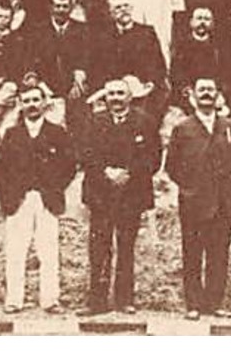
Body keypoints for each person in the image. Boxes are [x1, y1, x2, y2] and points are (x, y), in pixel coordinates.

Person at [0, 80, 78, 314]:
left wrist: (54, 187)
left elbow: (70, 165)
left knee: (48, 250)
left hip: (47, 199)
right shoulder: (12, 134)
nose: (31, 105)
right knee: (16, 250)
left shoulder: (57, 133)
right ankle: (14, 300)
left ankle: (50, 300)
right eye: (27, 100)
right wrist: (8, 199)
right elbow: (0, 169)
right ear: (20, 104)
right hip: (19, 200)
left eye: (35, 100)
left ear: (44, 103)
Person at [78, 77, 159, 316]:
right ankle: (97, 301)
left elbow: (154, 158)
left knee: (126, 248)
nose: (114, 98)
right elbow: (86, 153)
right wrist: (106, 172)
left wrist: (129, 173)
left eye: (119, 94)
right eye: (111, 94)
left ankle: (125, 300)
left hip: (131, 194)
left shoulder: (145, 122)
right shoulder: (94, 121)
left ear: (129, 97)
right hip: (101, 194)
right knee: (98, 248)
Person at [165, 75, 231, 321]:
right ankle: (194, 305)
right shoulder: (183, 128)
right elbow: (172, 167)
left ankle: (214, 303)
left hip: (223, 201)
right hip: (194, 201)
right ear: (193, 95)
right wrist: (189, 188)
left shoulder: (228, 127)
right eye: (202, 90)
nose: (206, 93)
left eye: (211, 89)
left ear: (218, 94)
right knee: (193, 253)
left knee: (219, 253)